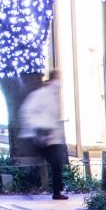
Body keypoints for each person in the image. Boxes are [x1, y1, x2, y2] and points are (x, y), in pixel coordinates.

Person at [19, 71, 69, 200]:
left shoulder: (53, 95)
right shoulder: (41, 94)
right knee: (51, 162)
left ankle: (32, 187)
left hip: (48, 135)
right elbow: (27, 111)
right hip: (40, 133)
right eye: (58, 79)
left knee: (51, 162)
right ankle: (31, 186)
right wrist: (39, 128)